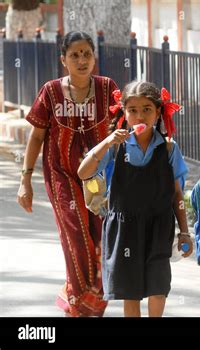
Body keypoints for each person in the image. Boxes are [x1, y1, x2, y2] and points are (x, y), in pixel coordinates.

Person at [17, 31, 118, 317]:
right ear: (64, 60)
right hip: (62, 175)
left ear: (94, 57)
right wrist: (26, 180)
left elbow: (123, 125)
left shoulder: (107, 88)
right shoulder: (50, 91)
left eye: (87, 53)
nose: (82, 59)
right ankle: (79, 305)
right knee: (76, 238)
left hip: (99, 178)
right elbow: (36, 137)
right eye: (75, 55)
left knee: (102, 239)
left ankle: (89, 301)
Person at [78, 81, 193, 317]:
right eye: (133, 110)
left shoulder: (169, 148)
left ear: (158, 111)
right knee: (129, 291)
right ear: (124, 113)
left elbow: (177, 195)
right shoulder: (115, 147)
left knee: (158, 288)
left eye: (147, 109)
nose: (140, 115)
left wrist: (184, 231)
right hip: (123, 228)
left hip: (159, 227)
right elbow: (83, 172)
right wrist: (108, 141)